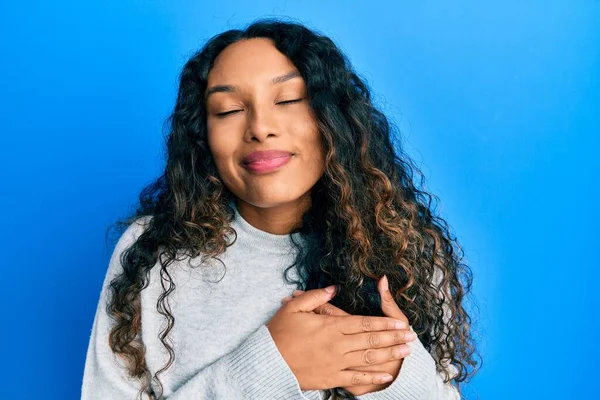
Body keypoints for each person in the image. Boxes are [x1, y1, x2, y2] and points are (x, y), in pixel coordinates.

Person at [81, 18, 480, 400]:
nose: (259, 127)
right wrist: (272, 365)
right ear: (203, 136)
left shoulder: (402, 246)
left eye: (288, 99)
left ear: (334, 121)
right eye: (228, 110)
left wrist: (389, 377)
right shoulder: (152, 252)